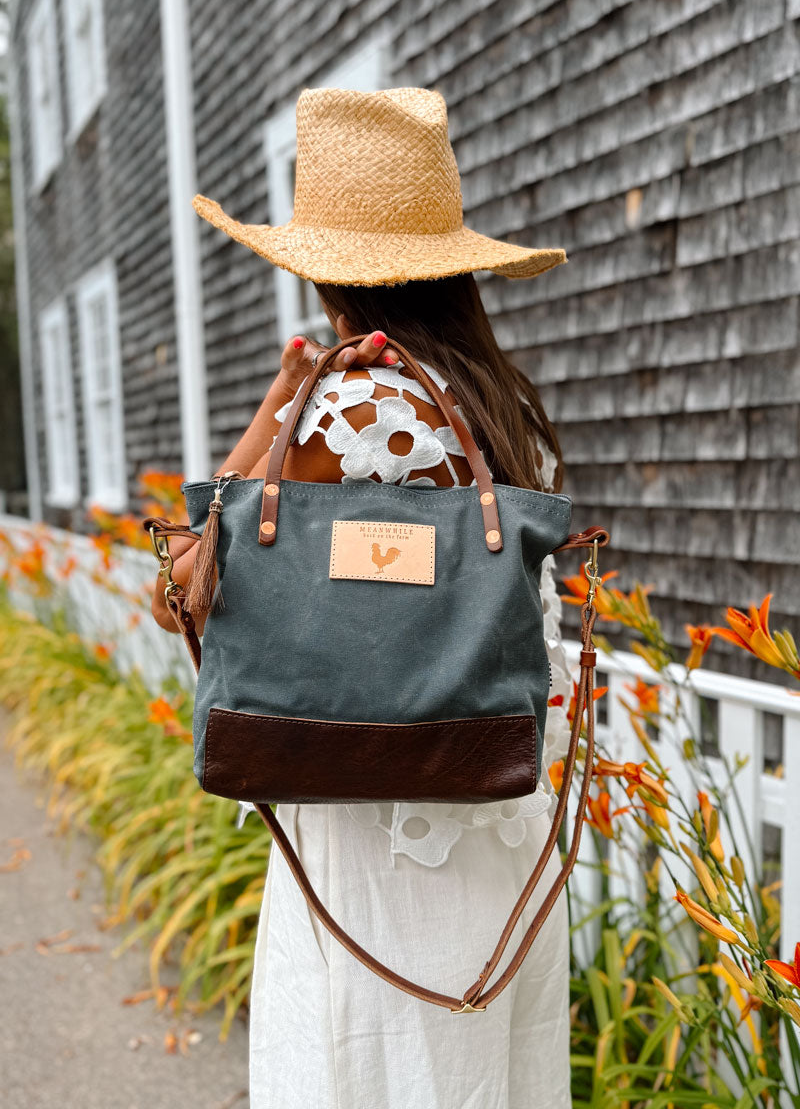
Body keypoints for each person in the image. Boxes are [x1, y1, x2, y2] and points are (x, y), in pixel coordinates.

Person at [151, 87, 575, 1108]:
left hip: (371, 853)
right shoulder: (496, 406)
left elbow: (187, 600)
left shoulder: (343, 411)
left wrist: (268, 424)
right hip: (491, 821)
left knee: (371, 1072)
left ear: (326, 271)